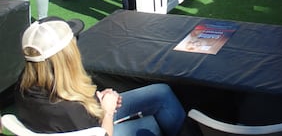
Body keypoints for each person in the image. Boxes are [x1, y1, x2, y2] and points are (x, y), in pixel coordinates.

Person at [16, 18, 185, 136]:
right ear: (68, 57)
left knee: (161, 93)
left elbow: (70, 107)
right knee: (150, 126)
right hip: (97, 127)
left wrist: (98, 100)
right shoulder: (69, 109)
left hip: (77, 122)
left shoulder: (24, 84)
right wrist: (108, 112)